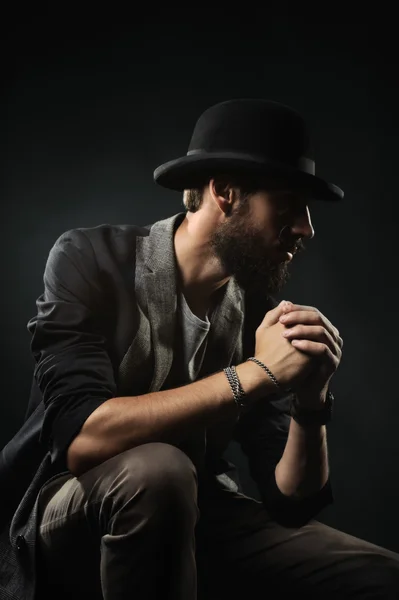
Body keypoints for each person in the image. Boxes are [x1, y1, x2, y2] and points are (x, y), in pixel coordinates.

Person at [0, 99, 398, 600]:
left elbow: (292, 501)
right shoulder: (90, 260)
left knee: (380, 575)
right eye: (289, 204)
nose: (305, 228)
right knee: (159, 472)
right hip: (70, 507)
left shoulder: (256, 312)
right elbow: (81, 440)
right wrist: (252, 375)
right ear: (225, 193)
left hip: (202, 511)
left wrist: (310, 400)